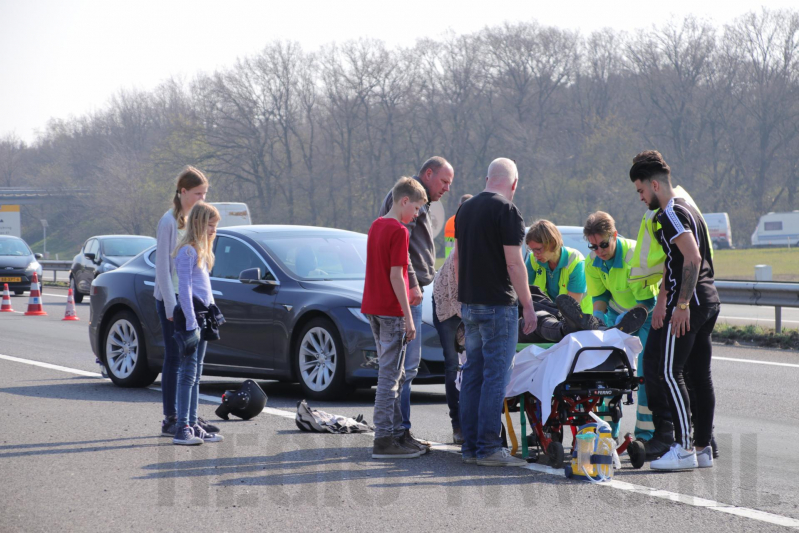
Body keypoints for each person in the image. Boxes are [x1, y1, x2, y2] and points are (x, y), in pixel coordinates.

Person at [629, 150, 720, 470]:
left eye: (641, 190)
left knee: (669, 372)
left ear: (654, 185)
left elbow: (692, 259)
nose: (641, 198)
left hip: (691, 305)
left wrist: (680, 305)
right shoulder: (688, 206)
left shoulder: (669, 212)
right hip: (709, 301)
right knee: (698, 375)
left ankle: (683, 449)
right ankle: (703, 448)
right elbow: (677, 262)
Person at [453, 157, 536, 467]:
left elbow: (458, 258)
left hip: (469, 303)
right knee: (496, 376)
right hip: (498, 304)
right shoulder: (507, 210)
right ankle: (489, 447)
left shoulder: (465, 209)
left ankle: (471, 447)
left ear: (487, 178)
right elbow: (514, 263)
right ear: (513, 184)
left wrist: (463, 297)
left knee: (472, 373)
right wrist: (528, 305)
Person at [378, 156, 453, 450]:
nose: (446, 188)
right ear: (428, 174)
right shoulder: (410, 201)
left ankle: (398, 432)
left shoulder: (412, 198)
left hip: (413, 287)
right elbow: (401, 245)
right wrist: (411, 282)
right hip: (408, 292)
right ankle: (399, 434)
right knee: (404, 369)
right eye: (444, 181)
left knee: (402, 369)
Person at [363, 177, 428, 459]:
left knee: (393, 373)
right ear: (403, 201)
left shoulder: (376, 226)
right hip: (391, 312)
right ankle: (383, 440)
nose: (416, 215)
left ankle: (394, 435)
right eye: (415, 209)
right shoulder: (399, 231)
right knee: (390, 377)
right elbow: (396, 276)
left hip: (372, 308)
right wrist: (408, 317)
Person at [154, 166, 219, 438]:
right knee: (174, 358)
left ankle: (188, 417)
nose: (201, 198)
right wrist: (170, 306)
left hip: (191, 300)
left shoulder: (198, 220)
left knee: (192, 364)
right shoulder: (169, 221)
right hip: (172, 299)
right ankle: (172, 418)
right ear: (182, 192)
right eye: (197, 193)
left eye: (204, 193)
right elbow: (161, 269)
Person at [583, 211, 658, 441]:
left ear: (614, 235)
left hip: (645, 315)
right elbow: (601, 295)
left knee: (644, 375)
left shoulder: (634, 256)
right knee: (608, 373)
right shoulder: (593, 260)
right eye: (593, 246)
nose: (599, 251)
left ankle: (645, 433)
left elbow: (647, 301)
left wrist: (627, 323)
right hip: (616, 315)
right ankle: (606, 430)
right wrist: (598, 318)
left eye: (603, 244)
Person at [171, 201, 224, 445]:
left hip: (202, 317)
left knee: (196, 374)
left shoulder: (201, 252)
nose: (213, 230)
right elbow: (184, 290)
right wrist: (192, 324)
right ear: (198, 224)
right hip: (191, 319)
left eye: (215, 226)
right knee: (187, 374)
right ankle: (182, 428)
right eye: (210, 225)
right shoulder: (187, 252)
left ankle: (193, 424)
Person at [525, 221, 593, 315]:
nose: (535, 254)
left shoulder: (575, 262)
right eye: (532, 250)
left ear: (552, 243)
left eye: (538, 249)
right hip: (550, 317)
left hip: (580, 319)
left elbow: (571, 307)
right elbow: (523, 291)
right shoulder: (533, 259)